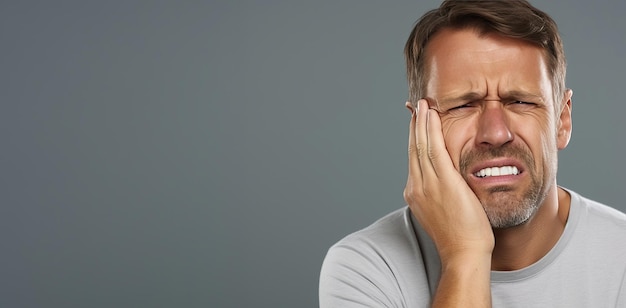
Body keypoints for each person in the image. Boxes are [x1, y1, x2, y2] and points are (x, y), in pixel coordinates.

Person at [319, 0, 626, 307]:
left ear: (562, 120)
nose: (495, 134)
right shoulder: (365, 269)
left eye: (520, 102)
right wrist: (464, 254)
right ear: (418, 129)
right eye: (462, 105)